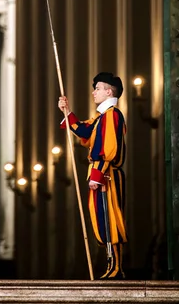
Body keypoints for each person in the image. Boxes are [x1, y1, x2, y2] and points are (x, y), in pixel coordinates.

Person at [58, 72, 127, 279]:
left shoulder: (112, 115)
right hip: (101, 175)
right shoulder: (101, 118)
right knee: (101, 220)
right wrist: (67, 111)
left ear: (109, 92)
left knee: (109, 219)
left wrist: (97, 174)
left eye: (97, 88)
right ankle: (110, 265)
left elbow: (107, 148)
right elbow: (84, 131)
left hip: (106, 175)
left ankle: (116, 268)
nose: (93, 92)